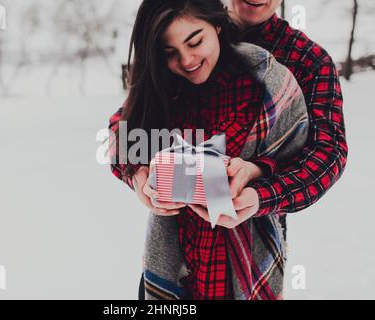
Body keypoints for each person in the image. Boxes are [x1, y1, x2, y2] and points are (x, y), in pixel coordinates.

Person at [108, 0, 347, 300]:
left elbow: (327, 154)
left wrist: (261, 189)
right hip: (176, 256)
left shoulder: (306, 60)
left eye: (195, 42)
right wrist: (138, 174)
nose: (187, 58)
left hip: (249, 257)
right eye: (174, 51)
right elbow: (128, 127)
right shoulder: (185, 27)